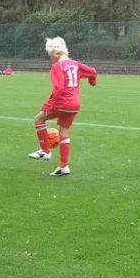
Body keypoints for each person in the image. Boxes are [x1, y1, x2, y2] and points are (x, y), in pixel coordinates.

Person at [28, 37, 97, 177]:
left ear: (54, 53)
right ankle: (63, 166)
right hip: (75, 105)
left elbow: (59, 88)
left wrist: (48, 105)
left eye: (49, 55)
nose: (50, 58)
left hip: (63, 102)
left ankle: (45, 152)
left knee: (39, 119)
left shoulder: (57, 67)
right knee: (64, 133)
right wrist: (92, 81)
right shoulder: (75, 64)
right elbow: (93, 72)